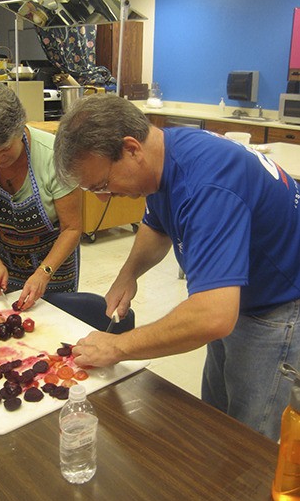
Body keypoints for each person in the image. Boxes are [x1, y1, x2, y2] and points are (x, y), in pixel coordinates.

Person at [53, 93, 300, 441]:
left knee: (250, 441)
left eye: (102, 185)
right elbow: (158, 223)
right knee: (217, 417)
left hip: (278, 304)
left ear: (131, 149)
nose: (102, 198)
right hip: (237, 294)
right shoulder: (164, 153)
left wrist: (117, 346)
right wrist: (129, 275)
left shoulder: (208, 185)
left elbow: (213, 315)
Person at [0, 81, 82, 311]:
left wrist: (44, 273)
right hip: (3, 258)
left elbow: (71, 228)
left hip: (54, 263)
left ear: (21, 127)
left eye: (4, 149)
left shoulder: (55, 156)